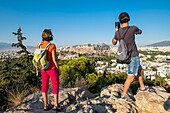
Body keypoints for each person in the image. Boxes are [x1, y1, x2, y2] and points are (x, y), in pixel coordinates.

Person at [112, 12, 147, 102]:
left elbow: (114, 42)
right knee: (131, 77)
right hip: (133, 56)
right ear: (129, 19)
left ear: (120, 21)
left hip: (127, 56)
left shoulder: (118, 32)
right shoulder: (133, 28)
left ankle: (142, 87)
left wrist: (117, 31)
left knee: (139, 70)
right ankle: (123, 95)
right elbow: (140, 32)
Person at [39, 29, 60, 110]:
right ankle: (56, 105)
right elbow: (54, 59)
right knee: (55, 85)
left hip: (43, 68)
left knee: (44, 85)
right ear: (50, 36)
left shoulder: (39, 45)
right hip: (52, 68)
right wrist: (58, 69)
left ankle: (45, 105)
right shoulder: (52, 46)